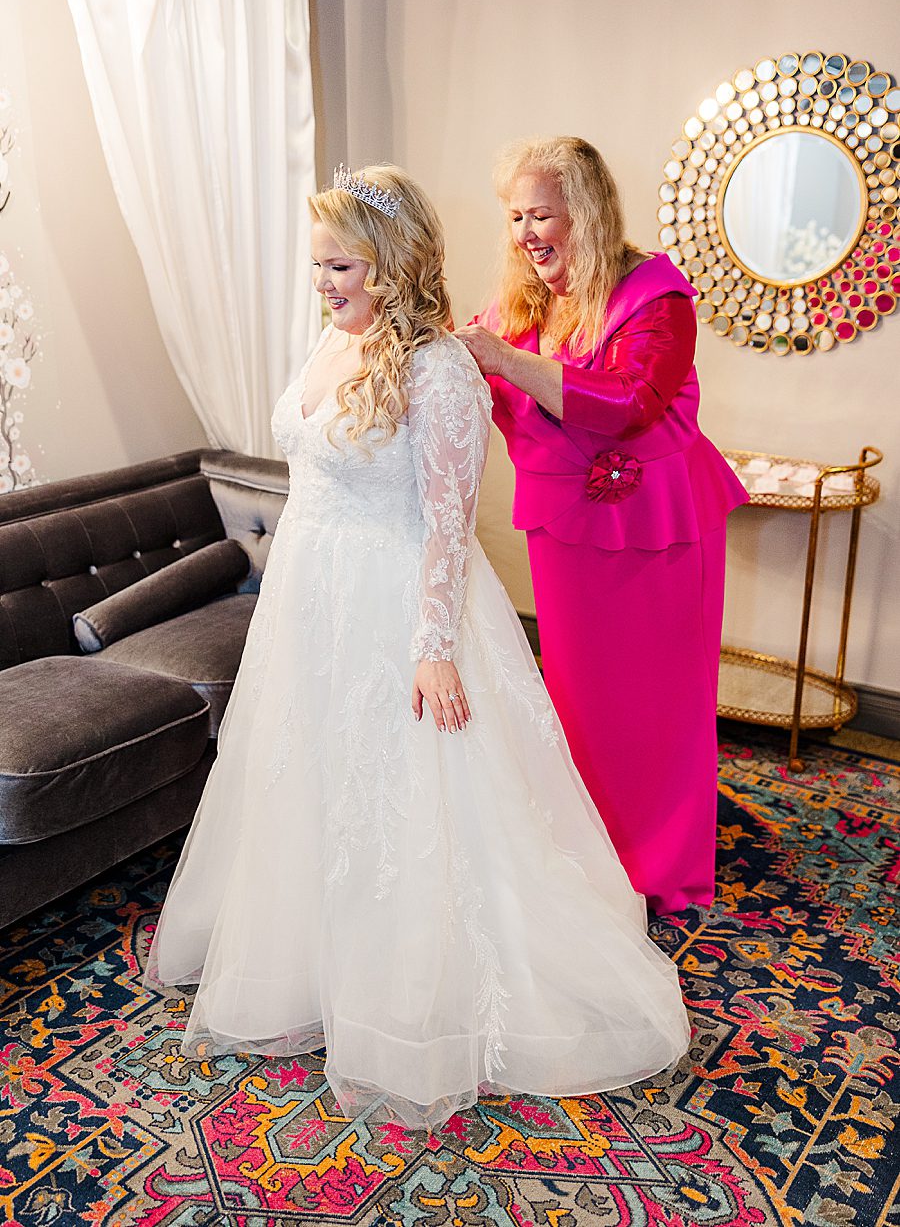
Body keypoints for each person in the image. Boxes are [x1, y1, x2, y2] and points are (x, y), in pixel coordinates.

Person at [146, 162, 691, 1131]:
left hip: (399, 606)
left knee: (410, 800)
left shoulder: (440, 369)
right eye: (318, 265)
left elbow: (447, 524)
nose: (325, 284)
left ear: (394, 264)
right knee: (311, 783)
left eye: (342, 266)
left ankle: (409, 993)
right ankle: (309, 962)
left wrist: (432, 645)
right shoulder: (329, 339)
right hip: (309, 601)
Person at [456, 136, 747, 917]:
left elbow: (629, 402)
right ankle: (590, 846)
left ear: (584, 212)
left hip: (658, 532)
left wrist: (503, 363)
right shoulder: (523, 302)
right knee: (580, 699)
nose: (524, 233)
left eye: (540, 214)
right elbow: (468, 362)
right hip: (566, 534)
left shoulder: (659, 298)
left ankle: (658, 861)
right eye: (515, 216)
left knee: (658, 701)